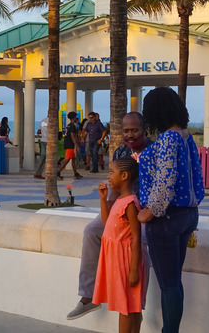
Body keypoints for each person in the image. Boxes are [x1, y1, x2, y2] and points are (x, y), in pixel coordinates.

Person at [68, 112, 152, 321]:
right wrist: (110, 207)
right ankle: (89, 297)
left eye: (134, 130)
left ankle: (136, 305)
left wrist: (150, 210)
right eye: (126, 131)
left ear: (144, 130)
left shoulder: (155, 151)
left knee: (139, 242)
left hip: (146, 212)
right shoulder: (121, 151)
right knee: (92, 231)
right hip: (123, 206)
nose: (130, 135)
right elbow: (115, 191)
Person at [137, 87, 204, 333]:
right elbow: (198, 180)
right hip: (187, 216)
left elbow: (166, 178)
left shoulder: (167, 139)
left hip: (166, 218)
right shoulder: (187, 138)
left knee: (168, 284)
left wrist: (149, 211)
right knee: (174, 281)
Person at [93, 157, 146, 333]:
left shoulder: (131, 203)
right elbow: (108, 223)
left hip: (126, 261)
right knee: (130, 305)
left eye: (111, 172)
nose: (108, 176)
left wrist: (133, 270)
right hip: (117, 261)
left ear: (124, 175)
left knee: (127, 307)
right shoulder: (119, 200)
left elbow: (137, 238)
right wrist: (103, 199)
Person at [58, 111, 83, 180]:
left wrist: (77, 125)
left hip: (68, 144)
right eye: (76, 117)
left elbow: (75, 134)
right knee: (67, 159)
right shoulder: (71, 126)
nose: (76, 118)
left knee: (73, 159)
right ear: (74, 117)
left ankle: (75, 173)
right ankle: (58, 172)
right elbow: (72, 136)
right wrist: (77, 146)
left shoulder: (69, 125)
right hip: (69, 145)